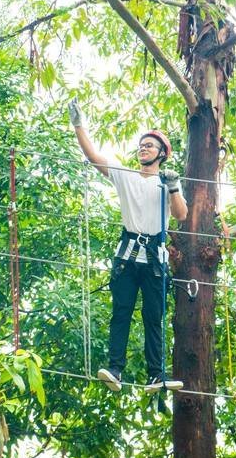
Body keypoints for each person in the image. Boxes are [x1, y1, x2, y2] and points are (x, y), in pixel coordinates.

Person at [68, 100, 188, 394]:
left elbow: (181, 214)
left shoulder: (167, 182)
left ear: (162, 154)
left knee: (153, 316)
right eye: (141, 145)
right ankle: (114, 368)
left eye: (149, 145)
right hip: (127, 255)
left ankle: (156, 374)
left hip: (155, 259)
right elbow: (94, 156)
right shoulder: (126, 175)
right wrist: (78, 126)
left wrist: (173, 187)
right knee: (121, 310)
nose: (143, 149)